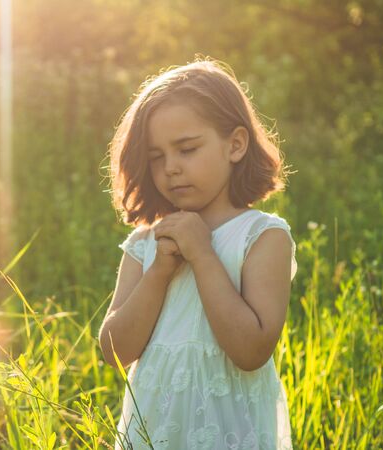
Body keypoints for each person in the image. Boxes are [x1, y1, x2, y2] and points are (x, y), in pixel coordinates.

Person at [98, 55, 298, 450]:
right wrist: (158, 271)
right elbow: (115, 352)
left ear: (235, 145)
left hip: (229, 433)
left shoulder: (262, 236)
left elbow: (251, 350)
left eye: (187, 149)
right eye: (157, 157)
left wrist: (203, 255)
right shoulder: (145, 244)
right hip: (154, 432)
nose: (170, 167)